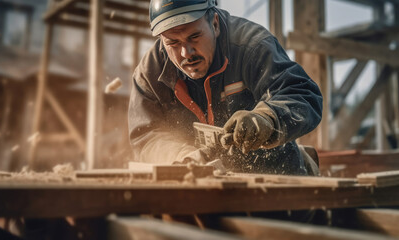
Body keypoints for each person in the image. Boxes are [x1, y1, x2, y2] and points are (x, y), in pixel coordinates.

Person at [128, 0, 322, 175]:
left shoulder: (252, 46)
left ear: (214, 23)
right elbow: (145, 134)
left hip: (277, 184)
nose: (186, 53)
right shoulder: (150, 73)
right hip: (200, 190)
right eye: (173, 43)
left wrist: (267, 118)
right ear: (162, 39)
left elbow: (303, 95)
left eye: (194, 36)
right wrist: (183, 155)